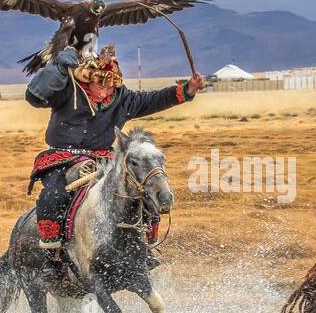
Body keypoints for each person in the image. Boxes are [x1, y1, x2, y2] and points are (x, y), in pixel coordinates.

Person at [25, 43, 204, 280]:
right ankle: (52, 259)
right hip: (62, 157)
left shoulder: (121, 98)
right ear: (87, 80)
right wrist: (58, 68)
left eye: (111, 84)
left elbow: (151, 100)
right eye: (101, 83)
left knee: (140, 193)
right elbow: (34, 96)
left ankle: (145, 249)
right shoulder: (68, 90)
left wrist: (186, 90)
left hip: (104, 159)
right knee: (53, 196)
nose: (106, 89)